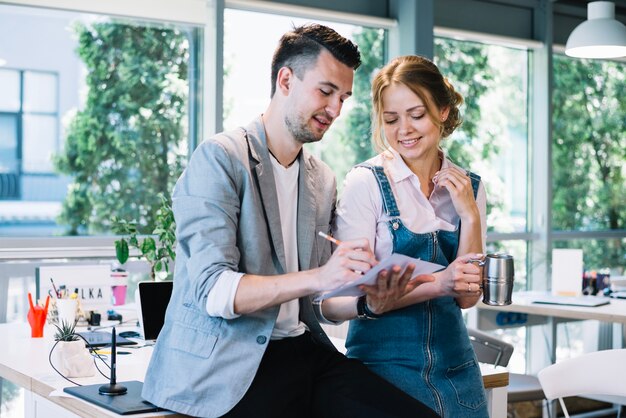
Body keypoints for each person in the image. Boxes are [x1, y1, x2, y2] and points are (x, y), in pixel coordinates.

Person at [141, 25, 446, 418]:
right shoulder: (219, 159)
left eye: (343, 98)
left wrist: (367, 298)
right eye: (325, 92)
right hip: (228, 365)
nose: (335, 110)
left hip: (304, 351)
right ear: (286, 79)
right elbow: (214, 292)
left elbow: (319, 303)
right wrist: (321, 275)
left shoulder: (322, 179)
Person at [330, 55, 489, 417]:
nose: (405, 130)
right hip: (381, 375)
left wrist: (470, 214)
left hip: (458, 371)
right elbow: (339, 298)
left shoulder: (470, 187)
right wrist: (441, 281)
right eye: (391, 119)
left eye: (416, 115)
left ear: (443, 111)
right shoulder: (366, 183)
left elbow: (466, 299)